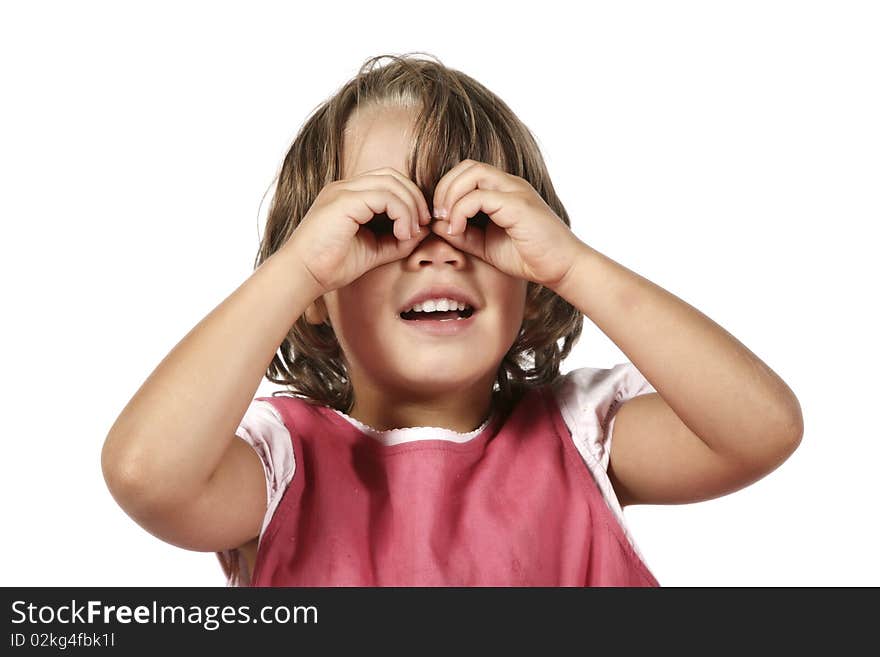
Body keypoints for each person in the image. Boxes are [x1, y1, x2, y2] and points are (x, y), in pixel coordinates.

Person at [101, 53, 804, 587]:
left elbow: (761, 429)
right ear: (317, 286)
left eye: (479, 220)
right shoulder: (281, 465)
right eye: (380, 221)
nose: (437, 250)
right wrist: (294, 271)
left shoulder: (582, 437)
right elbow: (144, 474)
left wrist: (571, 265)